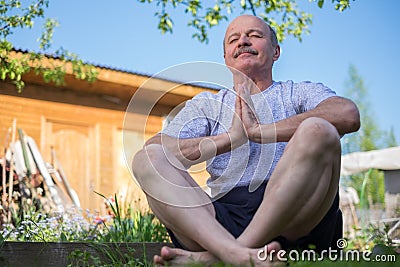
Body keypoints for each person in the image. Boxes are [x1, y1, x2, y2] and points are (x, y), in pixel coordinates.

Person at [132, 14, 360, 266]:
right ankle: (239, 255)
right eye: (233, 39)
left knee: (320, 129)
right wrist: (230, 138)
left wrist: (262, 132)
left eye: (254, 35)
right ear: (226, 58)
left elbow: (347, 114)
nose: (242, 41)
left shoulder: (297, 92)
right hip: (223, 221)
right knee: (148, 158)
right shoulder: (208, 105)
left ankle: (221, 258)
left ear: (276, 51)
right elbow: (156, 150)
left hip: (297, 217)